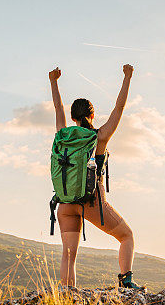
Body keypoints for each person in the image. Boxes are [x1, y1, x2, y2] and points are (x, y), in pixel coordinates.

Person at [48, 64, 142, 290]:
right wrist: (127, 76)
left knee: (68, 256)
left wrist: (53, 81)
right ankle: (126, 283)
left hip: (65, 203)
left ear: (73, 118)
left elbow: (58, 107)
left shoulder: (63, 135)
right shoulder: (99, 136)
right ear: (91, 115)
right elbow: (119, 107)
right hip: (92, 201)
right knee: (126, 236)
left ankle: (67, 297)